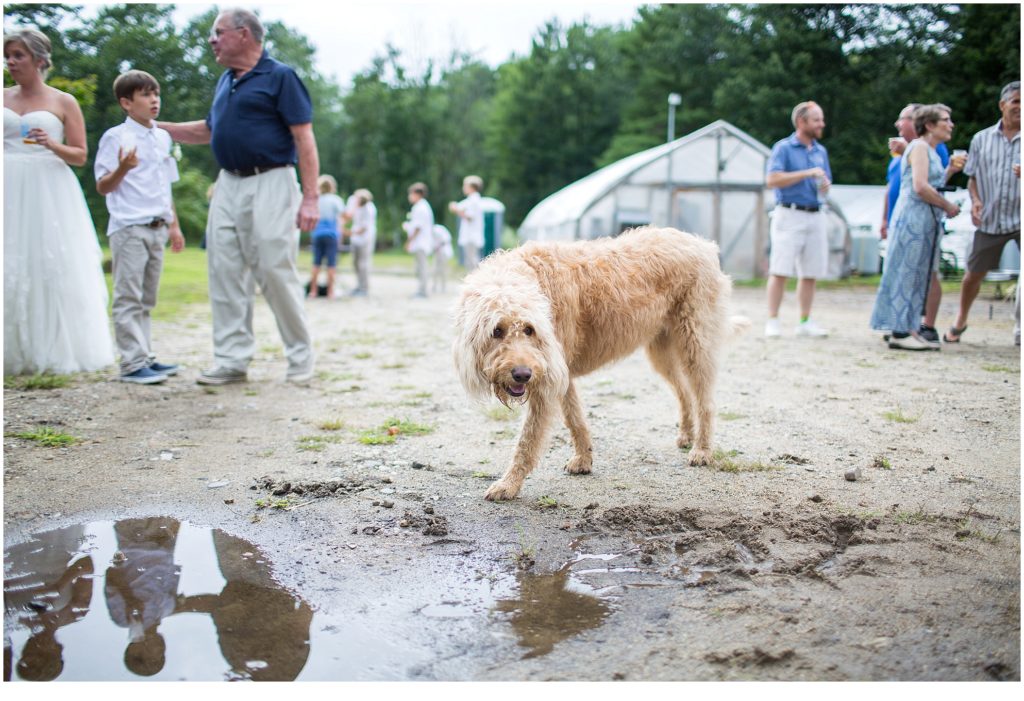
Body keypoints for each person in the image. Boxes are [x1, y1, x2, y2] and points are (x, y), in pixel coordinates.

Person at [158, 8, 320, 385]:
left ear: (244, 34)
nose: (212, 40)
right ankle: (232, 359)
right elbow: (208, 130)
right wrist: (157, 129)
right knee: (224, 269)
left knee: (274, 268)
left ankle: (300, 356)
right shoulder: (225, 80)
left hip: (272, 180)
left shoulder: (280, 77)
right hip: (228, 183)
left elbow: (304, 137)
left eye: (218, 33)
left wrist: (310, 198)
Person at [3, 27, 114, 376]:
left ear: (39, 59)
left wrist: (52, 144)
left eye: (17, 55)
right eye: (7, 56)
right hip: (7, 182)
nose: (10, 62)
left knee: (49, 260)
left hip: (48, 186)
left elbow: (81, 155)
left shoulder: (63, 101)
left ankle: (52, 348)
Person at [95, 70, 186, 385]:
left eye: (156, 93)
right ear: (126, 102)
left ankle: (145, 356)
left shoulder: (162, 136)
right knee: (128, 296)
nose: (154, 100)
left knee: (147, 297)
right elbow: (103, 186)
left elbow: (165, 185)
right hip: (130, 225)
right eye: (146, 95)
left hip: (157, 225)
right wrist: (123, 167)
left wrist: (173, 225)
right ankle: (131, 363)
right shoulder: (115, 138)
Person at [870, 104, 961, 350]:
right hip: (913, 219)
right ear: (929, 125)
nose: (950, 124)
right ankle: (900, 331)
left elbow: (932, 182)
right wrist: (947, 206)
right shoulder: (919, 147)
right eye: (945, 120)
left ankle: (910, 327)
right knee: (906, 272)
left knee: (919, 274)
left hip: (925, 219)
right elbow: (920, 187)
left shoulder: (930, 150)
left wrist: (950, 170)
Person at [946, 81, 1021, 345]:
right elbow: (973, 178)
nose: (1020, 108)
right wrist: (976, 201)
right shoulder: (981, 139)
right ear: (1002, 105)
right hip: (991, 219)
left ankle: (1020, 328)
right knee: (973, 275)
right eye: (1016, 102)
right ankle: (960, 319)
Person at [764, 101, 832, 338]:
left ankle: (805, 320)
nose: (821, 124)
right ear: (802, 122)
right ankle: (772, 319)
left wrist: (825, 186)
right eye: (817, 120)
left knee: (810, 271)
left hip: (815, 213)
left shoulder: (820, 151)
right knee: (780, 268)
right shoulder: (783, 148)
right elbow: (772, 180)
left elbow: (825, 185)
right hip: (789, 213)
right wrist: (806, 173)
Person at [308, 174, 344, 300]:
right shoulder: (336, 200)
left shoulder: (316, 200)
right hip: (331, 235)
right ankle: (330, 292)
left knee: (316, 263)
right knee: (331, 264)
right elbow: (341, 218)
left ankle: (313, 291)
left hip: (317, 234)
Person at [403, 182, 434, 298]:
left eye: (411, 194)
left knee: (422, 267)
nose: (409, 196)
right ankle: (421, 290)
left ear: (417, 194)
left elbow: (417, 228)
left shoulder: (420, 207)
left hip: (421, 242)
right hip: (421, 242)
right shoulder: (421, 206)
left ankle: (423, 291)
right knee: (420, 267)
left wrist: (409, 241)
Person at [449, 174, 485, 271]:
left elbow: (470, 217)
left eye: (465, 186)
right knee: (470, 261)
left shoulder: (474, 200)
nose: (463, 188)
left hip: (471, 237)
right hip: (470, 236)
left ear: (472, 187)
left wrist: (456, 210)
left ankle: (475, 283)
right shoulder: (471, 200)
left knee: (472, 262)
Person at [345, 188, 376, 296]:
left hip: (365, 239)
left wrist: (349, 233)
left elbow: (364, 228)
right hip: (355, 239)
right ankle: (358, 285)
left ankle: (364, 288)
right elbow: (348, 215)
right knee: (355, 263)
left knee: (363, 264)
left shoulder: (369, 208)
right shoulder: (352, 201)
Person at [431, 223, 454, 293]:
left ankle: (443, 287)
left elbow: (446, 239)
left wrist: (438, 246)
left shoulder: (437, 229)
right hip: (437, 253)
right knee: (434, 269)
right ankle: (434, 286)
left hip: (444, 252)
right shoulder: (432, 231)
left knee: (443, 270)